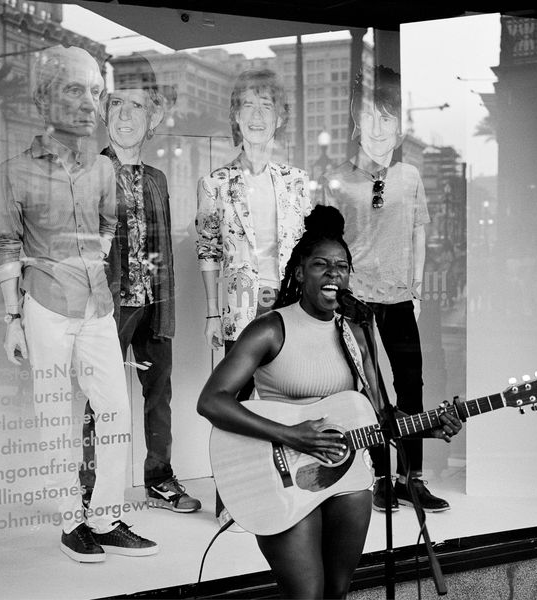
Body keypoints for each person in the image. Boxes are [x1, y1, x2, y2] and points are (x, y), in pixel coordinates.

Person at [197, 206, 461, 599]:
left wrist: (427, 425)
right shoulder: (271, 328)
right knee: (307, 594)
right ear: (301, 272)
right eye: (321, 264)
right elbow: (211, 401)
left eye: (341, 265)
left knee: (337, 591)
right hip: (279, 476)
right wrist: (292, 435)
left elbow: (379, 413)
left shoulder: (356, 330)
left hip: (347, 479)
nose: (333, 272)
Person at [0, 45, 157, 562]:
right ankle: (71, 523)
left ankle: (105, 517)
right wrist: (12, 318)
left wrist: (89, 265)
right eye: (73, 89)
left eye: (94, 91)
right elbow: (6, 244)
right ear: (44, 100)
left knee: (114, 409)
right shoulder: (15, 171)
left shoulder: (103, 170)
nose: (89, 103)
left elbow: (108, 226)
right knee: (52, 413)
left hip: (97, 304)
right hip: (43, 305)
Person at [321, 65, 446, 512]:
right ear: (356, 121)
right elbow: (328, 244)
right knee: (369, 389)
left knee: (411, 385)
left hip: (398, 298)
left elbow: (419, 234)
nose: (378, 128)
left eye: (387, 118)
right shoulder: (337, 178)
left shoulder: (410, 177)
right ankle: (377, 477)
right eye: (370, 117)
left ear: (399, 127)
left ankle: (410, 477)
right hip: (355, 300)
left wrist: (415, 292)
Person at [83, 52, 200, 513]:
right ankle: (92, 485)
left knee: (159, 398)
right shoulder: (90, 173)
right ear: (104, 113)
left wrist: (166, 307)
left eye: (135, 106)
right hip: (109, 308)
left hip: (154, 303)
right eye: (116, 105)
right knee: (101, 401)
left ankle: (159, 479)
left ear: (153, 116)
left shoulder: (157, 177)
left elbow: (164, 251)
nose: (125, 116)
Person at [195, 68, 312, 526]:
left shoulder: (296, 180)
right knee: (235, 402)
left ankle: (286, 491)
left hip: (288, 309)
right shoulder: (216, 183)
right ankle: (231, 500)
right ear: (235, 118)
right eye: (248, 105)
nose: (258, 115)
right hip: (239, 308)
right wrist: (210, 312)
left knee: (284, 398)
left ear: (279, 116)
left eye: (267, 105)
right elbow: (208, 250)